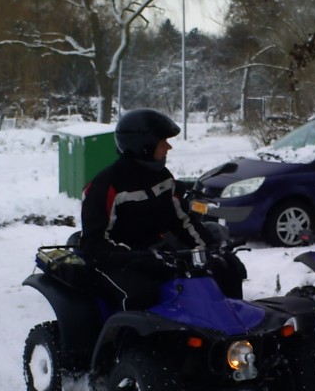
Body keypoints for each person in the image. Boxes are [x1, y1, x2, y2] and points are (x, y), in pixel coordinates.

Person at [79, 108, 245, 310]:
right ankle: (127, 340)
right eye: (162, 141)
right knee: (141, 294)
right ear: (144, 147)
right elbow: (93, 244)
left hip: (157, 253)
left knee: (226, 268)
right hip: (118, 261)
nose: (169, 147)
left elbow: (181, 219)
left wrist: (208, 248)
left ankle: (233, 329)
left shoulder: (162, 176)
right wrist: (136, 257)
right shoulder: (106, 187)